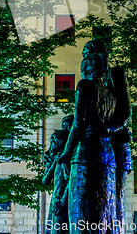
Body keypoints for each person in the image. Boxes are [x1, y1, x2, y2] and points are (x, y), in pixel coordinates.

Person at [58, 40, 117, 234]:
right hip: (107, 157)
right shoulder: (110, 94)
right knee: (101, 212)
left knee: (80, 215)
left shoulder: (85, 86)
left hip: (85, 155)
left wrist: (66, 153)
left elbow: (78, 122)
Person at [104, 65, 132, 234]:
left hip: (117, 154)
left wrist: (104, 130)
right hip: (110, 153)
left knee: (116, 197)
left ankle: (115, 229)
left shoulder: (119, 99)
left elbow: (122, 119)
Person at [43, 115, 74, 234]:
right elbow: (45, 181)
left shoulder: (65, 160)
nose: (51, 147)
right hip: (56, 200)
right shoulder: (57, 159)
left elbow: (70, 181)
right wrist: (50, 163)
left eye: (53, 143)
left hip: (63, 201)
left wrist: (61, 202)